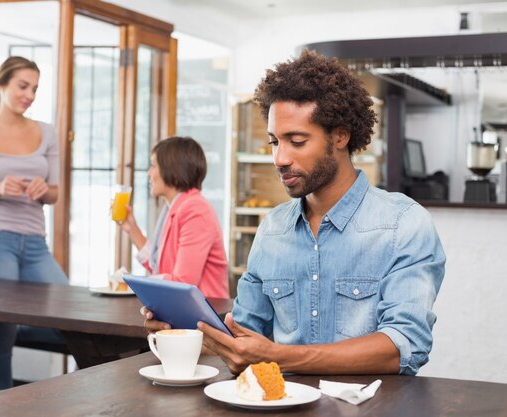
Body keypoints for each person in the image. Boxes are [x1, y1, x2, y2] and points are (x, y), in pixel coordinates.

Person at [144, 50, 446, 376]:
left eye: (297, 141)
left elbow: (404, 345)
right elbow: (245, 334)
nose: (279, 158)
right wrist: (187, 330)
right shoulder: (273, 228)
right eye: (274, 142)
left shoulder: (402, 224)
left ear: (340, 136)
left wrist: (280, 357)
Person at [0, 56, 68, 389]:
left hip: (35, 244)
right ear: (2, 84)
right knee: (3, 335)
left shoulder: (46, 132)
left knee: (72, 318)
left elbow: (55, 193)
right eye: (23, 86)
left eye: (35, 88)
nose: (30, 95)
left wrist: (43, 189)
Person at [115, 136, 229, 299]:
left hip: (204, 319)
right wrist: (132, 229)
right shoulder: (174, 208)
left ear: (172, 168)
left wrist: (133, 283)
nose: (149, 173)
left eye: (153, 165)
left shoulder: (196, 211)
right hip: (184, 312)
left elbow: (182, 283)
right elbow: (159, 266)